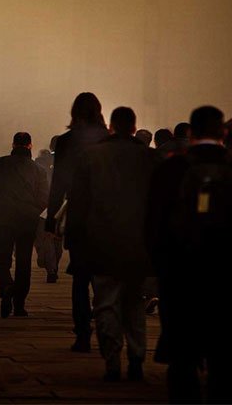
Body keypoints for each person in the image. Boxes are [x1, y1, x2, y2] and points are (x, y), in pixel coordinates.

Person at [146, 106, 232, 403]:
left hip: (181, 273)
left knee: (182, 359)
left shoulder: (171, 168)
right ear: (223, 133)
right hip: (230, 275)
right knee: (228, 360)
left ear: (190, 133)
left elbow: (153, 223)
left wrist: (161, 267)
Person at [68, 107, 156, 381]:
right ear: (133, 127)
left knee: (106, 302)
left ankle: (111, 360)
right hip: (138, 241)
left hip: (102, 239)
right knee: (134, 303)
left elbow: (78, 203)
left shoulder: (91, 156)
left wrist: (75, 239)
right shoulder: (150, 157)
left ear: (113, 126)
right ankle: (137, 356)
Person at [45, 92, 109, 352]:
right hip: (106, 215)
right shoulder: (108, 140)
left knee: (80, 276)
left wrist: (51, 217)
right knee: (103, 277)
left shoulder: (67, 141)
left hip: (79, 213)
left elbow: (59, 181)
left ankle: (82, 332)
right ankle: (106, 327)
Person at [0, 132, 48, 318]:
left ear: (12, 145)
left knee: (2, 260)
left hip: (4, 219)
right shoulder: (38, 170)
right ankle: (19, 304)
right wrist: (33, 211)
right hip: (27, 221)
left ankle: (7, 285)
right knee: (23, 262)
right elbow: (44, 198)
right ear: (30, 146)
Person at [34, 137, 63, 282]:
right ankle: (54, 264)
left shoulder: (40, 162)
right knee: (57, 239)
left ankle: (50, 267)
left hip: (44, 205)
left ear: (50, 145)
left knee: (46, 237)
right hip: (62, 206)